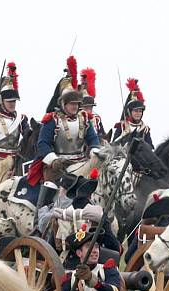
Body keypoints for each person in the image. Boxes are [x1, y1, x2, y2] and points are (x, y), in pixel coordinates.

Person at [31, 56, 100, 206]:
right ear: (63, 103)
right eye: (71, 104)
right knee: (49, 187)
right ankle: (39, 219)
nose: (75, 107)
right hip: (57, 165)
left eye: (77, 103)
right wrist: (53, 159)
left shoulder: (84, 118)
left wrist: (94, 151)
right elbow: (43, 143)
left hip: (82, 162)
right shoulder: (51, 120)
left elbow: (93, 139)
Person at [112, 78, 153, 145]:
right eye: (135, 111)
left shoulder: (145, 129)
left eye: (140, 111)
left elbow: (150, 147)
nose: (138, 114)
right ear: (129, 112)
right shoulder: (122, 127)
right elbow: (114, 145)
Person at [79, 68, 106, 139]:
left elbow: (102, 134)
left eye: (90, 108)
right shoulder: (75, 119)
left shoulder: (97, 119)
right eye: (86, 108)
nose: (89, 110)